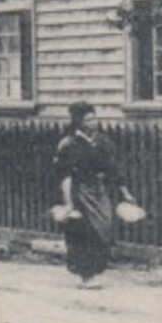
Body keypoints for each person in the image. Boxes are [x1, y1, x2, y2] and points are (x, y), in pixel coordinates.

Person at [52, 101, 138, 288]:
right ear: (78, 122)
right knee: (83, 232)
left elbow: (114, 170)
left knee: (104, 229)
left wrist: (125, 193)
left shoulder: (103, 143)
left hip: (99, 191)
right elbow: (64, 175)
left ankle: (96, 271)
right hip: (78, 191)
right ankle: (85, 275)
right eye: (88, 120)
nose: (93, 123)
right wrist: (68, 202)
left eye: (94, 118)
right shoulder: (69, 144)